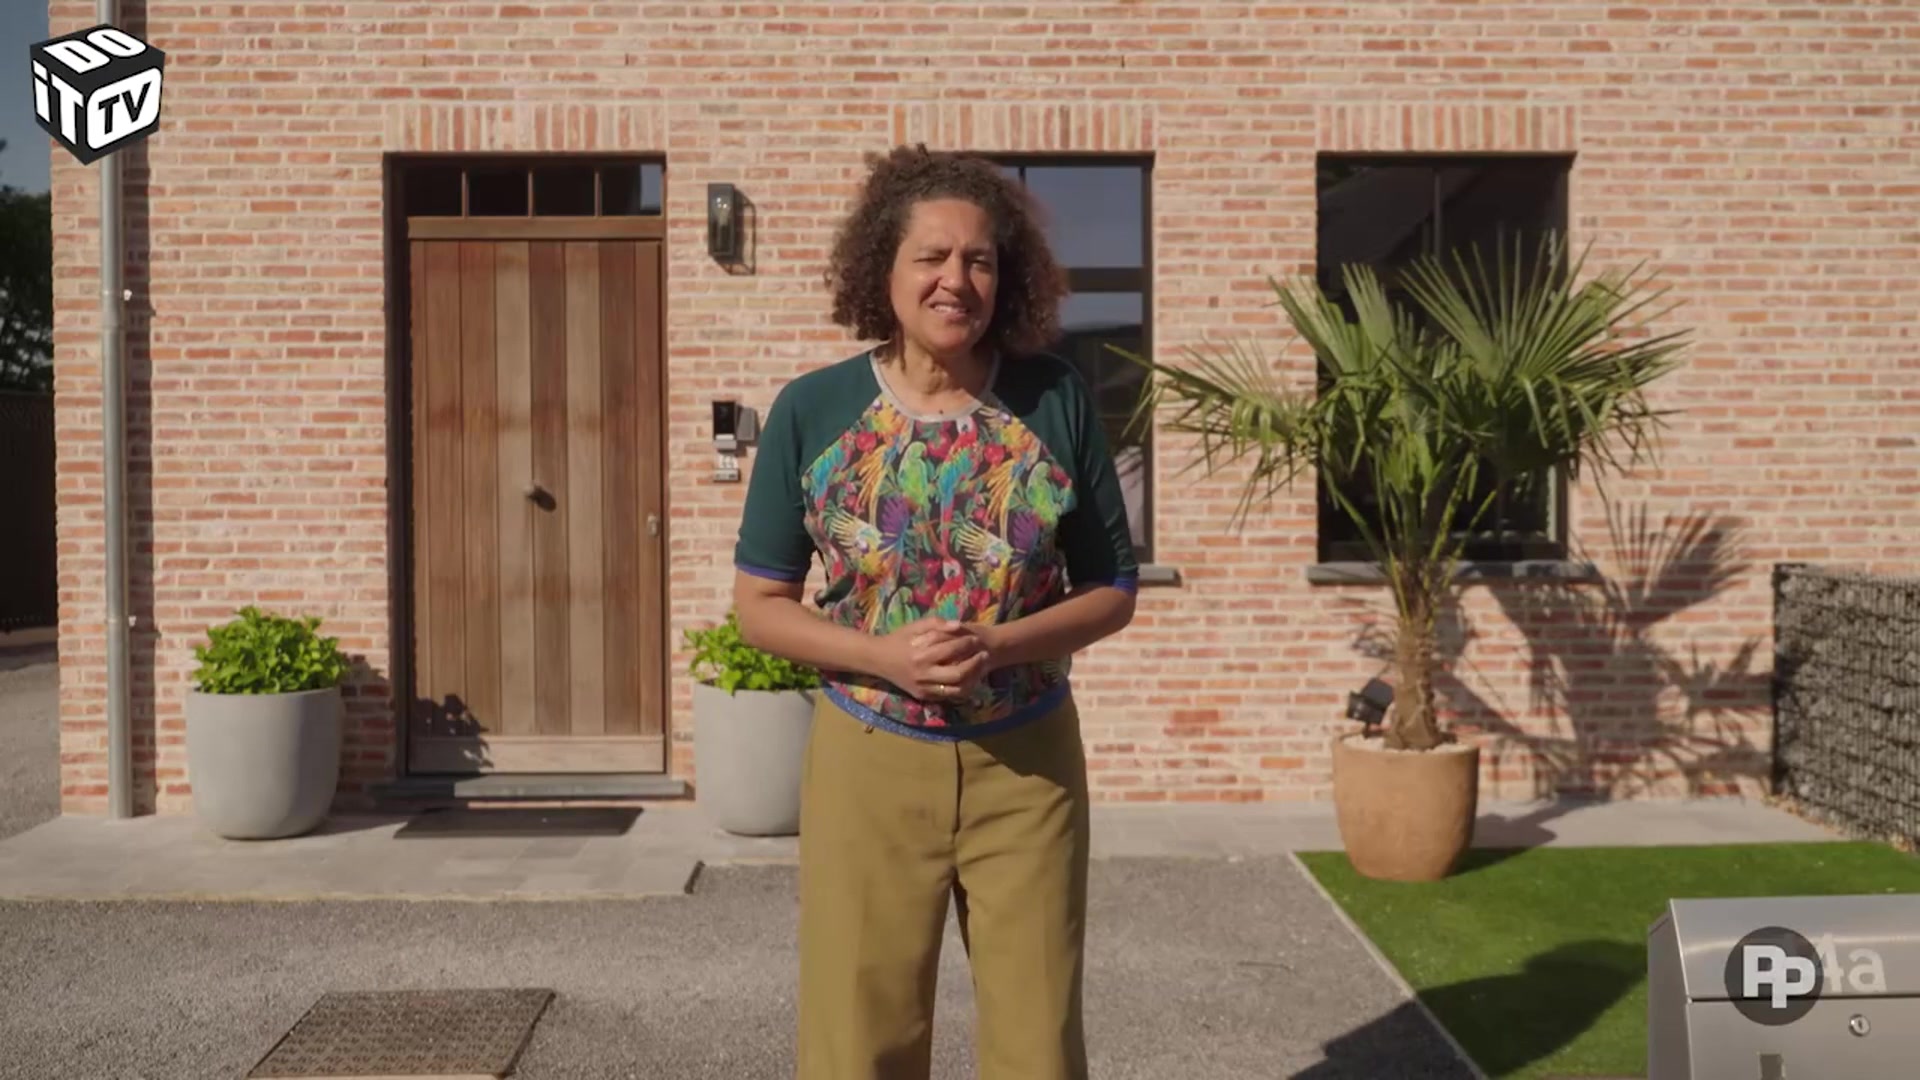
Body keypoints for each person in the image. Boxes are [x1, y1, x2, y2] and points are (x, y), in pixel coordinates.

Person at [729, 144, 1141, 1080]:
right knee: (856, 1045)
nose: (956, 279)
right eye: (932, 256)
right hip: (867, 764)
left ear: (1007, 278)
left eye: (980, 260)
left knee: (1039, 1049)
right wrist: (885, 657)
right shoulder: (813, 410)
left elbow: (1112, 588)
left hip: (1027, 768)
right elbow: (760, 607)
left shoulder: (1053, 400)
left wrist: (998, 643)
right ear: (883, 267)